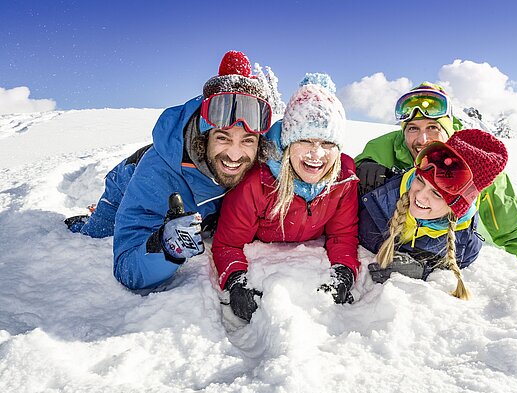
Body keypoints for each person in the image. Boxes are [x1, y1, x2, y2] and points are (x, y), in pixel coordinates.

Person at [67, 50, 273, 293]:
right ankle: (86, 221)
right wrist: (165, 247)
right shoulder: (157, 175)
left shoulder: (258, 162)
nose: (236, 155)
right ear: (204, 138)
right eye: (223, 138)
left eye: (247, 140)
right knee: (98, 232)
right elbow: (127, 268)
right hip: (126, 182)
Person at [355, 83, 517, 281]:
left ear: (448, 128)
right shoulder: (384, 147)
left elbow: (512, 231)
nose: (422, 139)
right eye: (413, 128)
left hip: (448, 240)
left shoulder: (478, 167)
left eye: (433, 127)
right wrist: (362, 166)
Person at [212, 73, 359, 322]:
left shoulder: (343, 179)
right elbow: (228, 244)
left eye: (327, 143)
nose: (316, 153)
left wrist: (343, 272)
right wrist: (236, 280)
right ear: (288, 144)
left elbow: (342, 235)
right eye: (305, 141)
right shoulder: (257, 182)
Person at [361, 129, 508, 299]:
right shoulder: (378, 194)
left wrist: (421, 269)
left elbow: (461, 260)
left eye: (437, 194)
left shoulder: (463, 244)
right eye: (420, 180)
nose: (420, 196)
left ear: (456, 207)